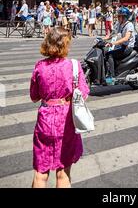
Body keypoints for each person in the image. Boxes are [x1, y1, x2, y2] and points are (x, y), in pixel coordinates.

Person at [30, 27, 89, 188]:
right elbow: (83, 94)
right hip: (66, 120)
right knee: (63, 173)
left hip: (45, 119)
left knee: (40, 173)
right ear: (65, 44)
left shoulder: (40, 66)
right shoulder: (74, 66)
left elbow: (34, 96)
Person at [103, 7, 136, 84]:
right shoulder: (119, 24)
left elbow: (126, 38)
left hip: (128, 47)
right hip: (122, 46)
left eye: (119, 16)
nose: (117, 17)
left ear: (124, 17)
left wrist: (112, 43)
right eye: (118, 16)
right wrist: (103, 39)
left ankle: (112, 77)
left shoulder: (129, 25)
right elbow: (112, 34)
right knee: (106, 51)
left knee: (109, 54)